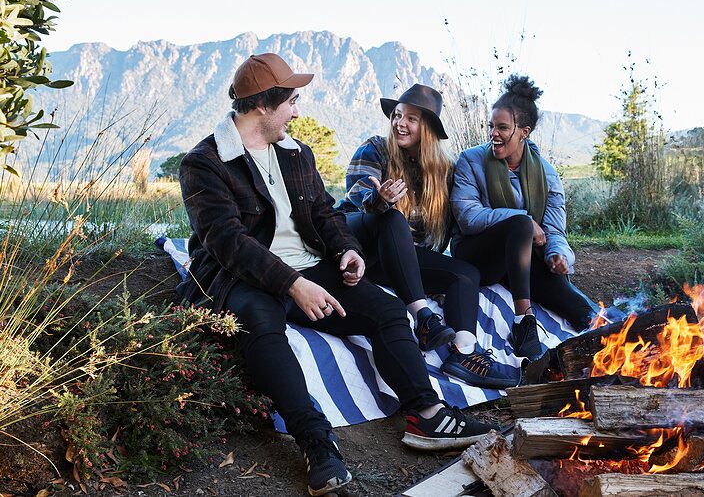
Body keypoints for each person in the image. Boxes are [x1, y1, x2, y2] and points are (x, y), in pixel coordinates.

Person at [177, 54, 497, 496]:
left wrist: (345, 249)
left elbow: (325, 213)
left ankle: (426, 414)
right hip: (244, 277)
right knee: (261, 326)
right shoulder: (204, 162)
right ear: (264, 106)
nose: (297, 109)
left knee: (386, 309)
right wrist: (292, 283)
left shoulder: (295, 153)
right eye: (292, 100)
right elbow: (228, 242)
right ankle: (315, 442)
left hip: (310, 267)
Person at [337, 84, 518, 389]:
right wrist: (380, 199)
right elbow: (358, 196)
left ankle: (465, 354)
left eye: (411, 118)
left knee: (465, 274)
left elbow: (451, 229)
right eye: (396, 116)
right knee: (391, 216)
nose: (400, 123)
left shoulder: (444, 171)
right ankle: (423, 318)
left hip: (398, 259)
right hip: (357, 243)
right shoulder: (376, 148)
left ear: (428, 129)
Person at [450, 74, 596, 362]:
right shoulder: (471, 160)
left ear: (524, 132)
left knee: (580, 308)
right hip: (478, 255)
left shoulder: (547, 174)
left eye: (502, 127)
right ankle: (523, 321)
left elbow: (554, 230)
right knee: (519, 224)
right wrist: (524, 220)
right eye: (491, 126)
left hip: (522, 261)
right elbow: (467, 217)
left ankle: (613, 347)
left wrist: (558, 255)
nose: (494, 133)